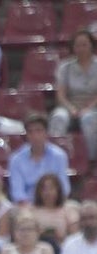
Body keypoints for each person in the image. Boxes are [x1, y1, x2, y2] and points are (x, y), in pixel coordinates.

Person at [49, 29, 97, 163]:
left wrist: (87, 109)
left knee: (89, 119)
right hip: (69, 106)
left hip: (93, 107)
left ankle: (90, 160)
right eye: (77, 45)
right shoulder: (65, 67)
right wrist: (71, 109)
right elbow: (61, 95)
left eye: (84, 45)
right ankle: (55, 158)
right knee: (58, 117)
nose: (80, 48)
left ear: (92, 46)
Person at [8, 114, 71, 207]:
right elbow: (18, 193)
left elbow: (64, 188)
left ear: (46, 132)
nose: (35, 135)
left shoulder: (59, 156)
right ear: (26, 135)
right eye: (30, 132)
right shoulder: (16, 159)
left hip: (55, 205)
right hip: (27, 207)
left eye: (39, 130)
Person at [29, 173, 80, 245]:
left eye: (51, 188)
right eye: (44, 189)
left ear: (58, 190)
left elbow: (75, 235)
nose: (48, 192)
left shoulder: (68, 209)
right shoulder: (31, 211)